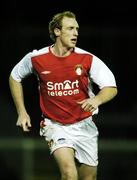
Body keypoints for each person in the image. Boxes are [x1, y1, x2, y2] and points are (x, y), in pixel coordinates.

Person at [9, 11, 118, 180]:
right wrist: (22, 112)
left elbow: (111, 86)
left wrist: (97, 99)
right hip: (55, 125)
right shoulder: (37, 58)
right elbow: (15, 77)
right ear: (57, 31)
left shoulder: (87, 58)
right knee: (69, 173)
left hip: (84, 125)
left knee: (88, 178)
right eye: (70, 28)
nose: (76, 33)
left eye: (77, 29)